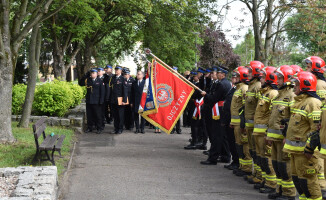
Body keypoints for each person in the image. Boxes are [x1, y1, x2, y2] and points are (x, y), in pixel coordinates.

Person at [283, 71, 322, 200]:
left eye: (297, 84)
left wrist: (310, 148)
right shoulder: (298, 102)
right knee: (299, 182)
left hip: (306, 153)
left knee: (309, 184)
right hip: (295, 152)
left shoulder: (313, 103)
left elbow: (316, 129)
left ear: (306, 85)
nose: (294, 87)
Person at [266, 65, 296, 200]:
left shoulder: (291, 96)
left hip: (283, 138)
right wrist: (269, 134)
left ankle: (289, 194)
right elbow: (272, 117)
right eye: (277, 77)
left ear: (287, 79)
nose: (276, 80)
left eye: (279, 78)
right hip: (275, 138)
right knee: (277, 165)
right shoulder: (279, 95)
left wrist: (287, 137)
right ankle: (279, 190)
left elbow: (293, 119)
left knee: (285, 166)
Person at [252, 67, 278, 193]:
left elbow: (272, 115)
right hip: (258, 132)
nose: (260, 79)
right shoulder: (265, 92)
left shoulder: (272, 93)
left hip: (264, 133)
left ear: (268, 79)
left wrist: (268, 132)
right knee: (261, 158)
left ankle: (271, 184)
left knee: (267, 159)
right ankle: (265, 180)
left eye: (262, 77)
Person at [200, 66, 231, 165]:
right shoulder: (225, 83)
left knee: (217, 135)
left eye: (218, 73)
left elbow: (214, 98)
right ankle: (225, 156)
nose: (216, 74)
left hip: (219, 111)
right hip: (222, 111)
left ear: (223, 74)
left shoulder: (222, 84)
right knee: (223, 135)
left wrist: (206, 95)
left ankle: (213, 158)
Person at [243, 61, 264, 185]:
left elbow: (258, 107)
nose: (248, 74)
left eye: (250, 71)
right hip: (249, 124)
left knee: (257, 150)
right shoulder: (251, 85)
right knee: (252, 150)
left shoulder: (257, 86)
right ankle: (255, 172)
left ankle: (259, 174)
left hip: (255, 125)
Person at [229, 66, 250, 175]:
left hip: (241, 124)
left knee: (244, 146)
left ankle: (246, 169)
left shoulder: (244, 88)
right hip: (236, 123)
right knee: (239, 146)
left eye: (237, 76)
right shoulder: (239, 88)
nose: (235, 78)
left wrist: (242, 123)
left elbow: (245, 107)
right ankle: (242, 166)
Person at [78, 68, 105, 134]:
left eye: (93, 73)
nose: (92, 74)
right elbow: (80, 83)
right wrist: (86, 75)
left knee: (98, 115)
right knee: (89, 115)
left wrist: (101, 101)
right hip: (89, 100)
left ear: (96, 74)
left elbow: (102, 92)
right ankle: (89, 127)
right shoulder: (88, 80)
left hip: (97, 101)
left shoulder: (100, 81)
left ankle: (99, 128)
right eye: (91, 73)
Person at [223, 71, 240, 170]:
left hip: (234, 120)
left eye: (236, 78)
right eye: (233, 78)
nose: (233, 79)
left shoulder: (239, 89)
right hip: (230, 118)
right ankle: (235, 161)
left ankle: (237, 162)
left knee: (235, 143)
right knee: (231, 142)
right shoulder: (233, 88)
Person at [184, 71, 202, 149]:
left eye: (194, 76)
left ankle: (196, 141)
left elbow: (195, 94)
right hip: (191, 104)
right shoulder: (192, 83)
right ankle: (194, 139)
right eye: (192, 76)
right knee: (192, 123)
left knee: (195, 125)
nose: (193, 77)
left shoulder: (200, 84)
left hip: (197, 105)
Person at [110, 66, 128, 134]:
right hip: (113, 99)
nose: (116, 71)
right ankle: (116, 128)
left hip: (120, 99)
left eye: (117, 70)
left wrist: (124, 100)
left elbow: (125, 90)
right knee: (115, 115)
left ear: (121, 71)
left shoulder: (123, 79)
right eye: (115, 70)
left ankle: (120, 128)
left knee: (120, 115)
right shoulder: (113, 78)